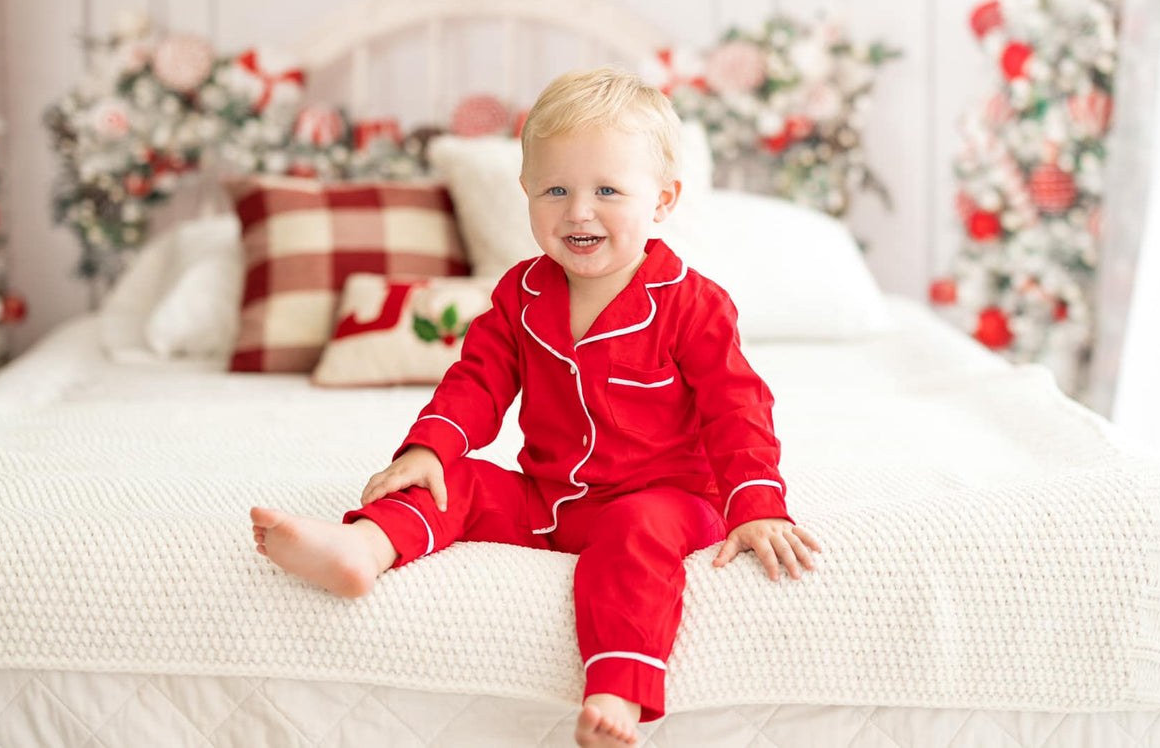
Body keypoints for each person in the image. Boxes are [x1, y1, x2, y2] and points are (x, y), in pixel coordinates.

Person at [251, 66, 822, 747]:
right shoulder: (520, 294)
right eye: (555, 190)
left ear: (663, 201)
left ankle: (618, 687)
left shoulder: (691, 304)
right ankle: (362, 548)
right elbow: (477, 380)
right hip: (548, 497)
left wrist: (757, 507)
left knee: (634, 537)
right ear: (525, 193)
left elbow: (738, 409)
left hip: (664, 498)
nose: (578, 211)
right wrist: (428, 448)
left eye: (607, 191)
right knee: (453, 481)